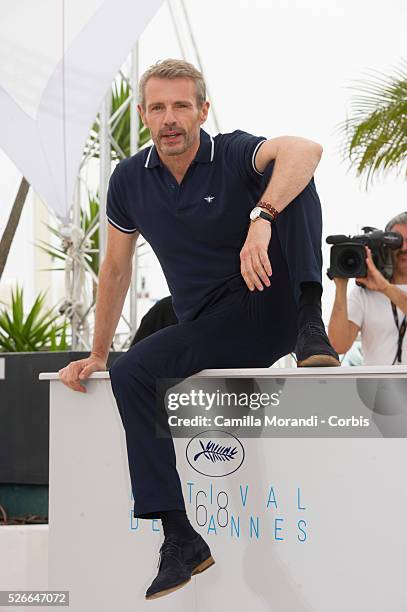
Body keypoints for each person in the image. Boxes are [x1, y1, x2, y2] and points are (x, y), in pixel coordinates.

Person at [58, 58, 339, 600]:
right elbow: (115, 270)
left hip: (270, 304)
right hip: (211, 322)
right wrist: (97, 354)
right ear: (142, 115)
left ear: (202, 111)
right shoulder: (129, 181)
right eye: (158, 107)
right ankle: (181, 536)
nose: (170, 118)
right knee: (133, 366)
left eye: (181, 106)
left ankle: (312, 322)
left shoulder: (230, 152)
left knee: (294, 178)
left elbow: (306, 149)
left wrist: (262, 218)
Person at [328, 212, 407, 365]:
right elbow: (338, 345)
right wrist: (341, 286)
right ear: (386, 246)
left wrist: (384, 287)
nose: (404, 248)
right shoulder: (364, 292)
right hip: (376, 388)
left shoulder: (380, 287)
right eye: (398, 242)